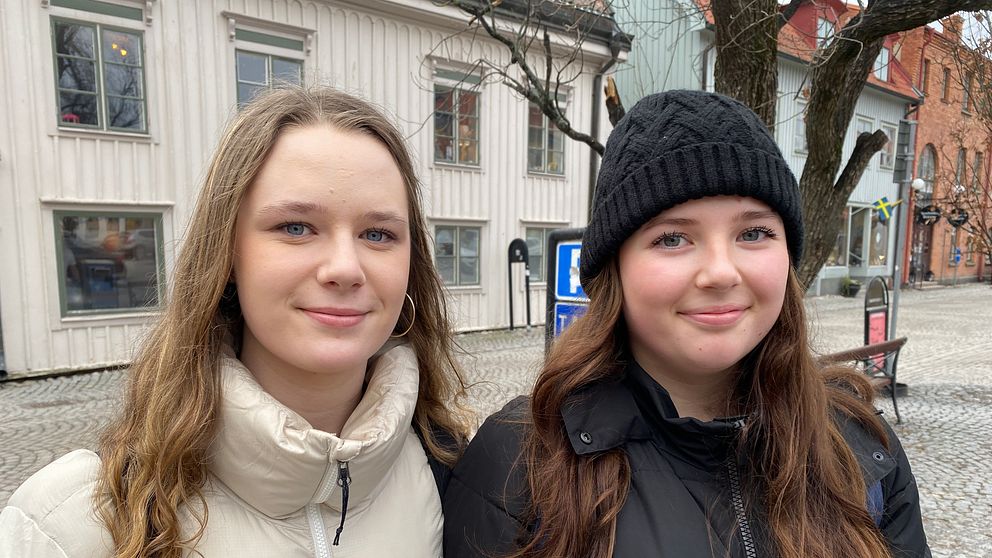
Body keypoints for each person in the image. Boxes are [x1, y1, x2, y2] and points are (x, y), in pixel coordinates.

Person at [443, 90, 930, 558]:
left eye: (754, 232)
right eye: (673, 238)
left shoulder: (862, 452)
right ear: (616, 269)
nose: (720, 272)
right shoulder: (521, 460)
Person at [0, 87, 470, 558]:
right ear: (226, 251)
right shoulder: (70, 523)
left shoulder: (454, 478)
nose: (345, 268)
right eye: (295, 227)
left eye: (377, 233)